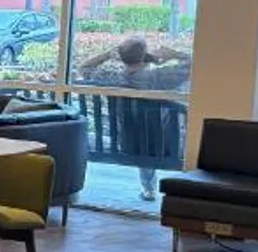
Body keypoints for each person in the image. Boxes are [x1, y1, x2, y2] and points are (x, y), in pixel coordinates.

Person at [78, 37, 192, 200]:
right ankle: (165, 191)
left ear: (120, 56)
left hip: (127, 143)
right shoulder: (160, 76)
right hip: (164, 146)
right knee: (163, 124)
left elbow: (84, 67)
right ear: (145, 54)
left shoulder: (112, 76)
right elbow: (193, 64)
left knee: (139, 131)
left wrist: (107, 55)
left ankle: (148, 189)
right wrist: (173, 54)